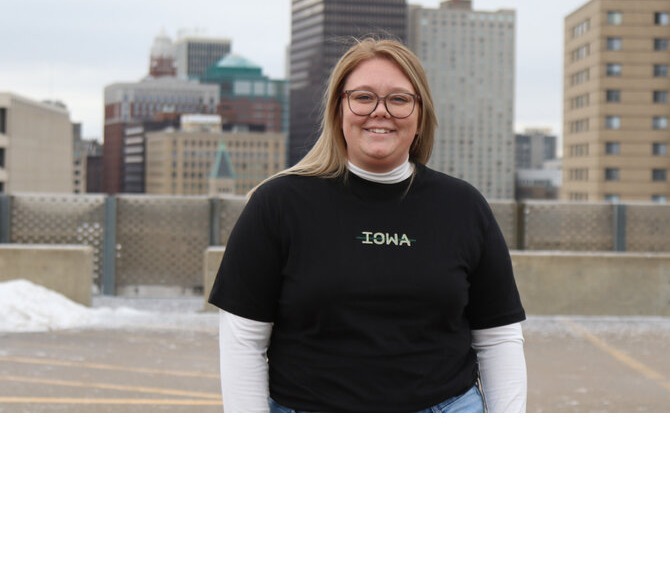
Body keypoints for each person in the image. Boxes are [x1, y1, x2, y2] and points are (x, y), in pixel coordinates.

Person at [210, 37, 527, 413]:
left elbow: (498, 339)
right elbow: (243, 342)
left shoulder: (463, 206)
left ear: (420, 114)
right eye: (363, 97)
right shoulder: (278, 204)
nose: (381, 111)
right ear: (338, 109)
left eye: (399, 99)